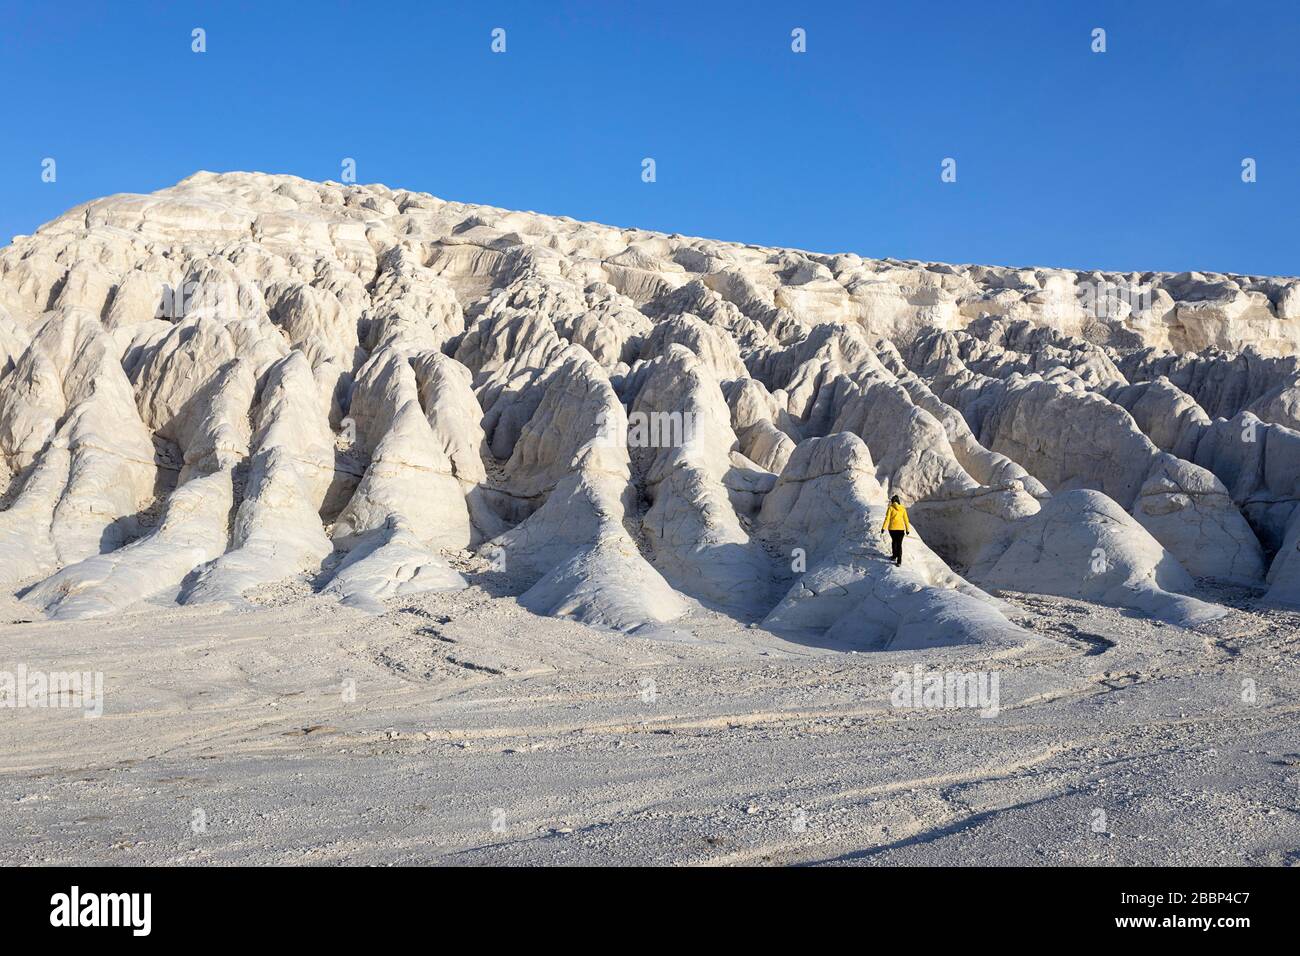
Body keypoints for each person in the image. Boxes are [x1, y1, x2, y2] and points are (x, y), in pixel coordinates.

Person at [880, 494, 910, 566]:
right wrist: (907, 529)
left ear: (892, 501)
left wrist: (883, 528)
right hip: (901, 529)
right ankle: (899, 561)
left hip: (892, 529)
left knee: (894, 542)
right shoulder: (903, 508)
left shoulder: (890, 508)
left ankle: (894, 556)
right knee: (899, 544)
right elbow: (906, 520)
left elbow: (887, 519)